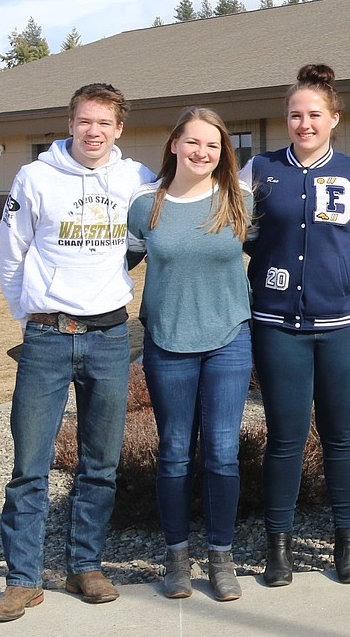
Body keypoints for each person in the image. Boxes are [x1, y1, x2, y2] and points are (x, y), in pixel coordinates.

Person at [0, 83, 155, 622]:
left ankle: (85, 566)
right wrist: (31, 313)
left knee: (100, 464)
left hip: (109, 338)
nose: (93, 132)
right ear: (70, 124)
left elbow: (171, 209)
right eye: (85, 121)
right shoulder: (36, 177)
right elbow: (12, 250)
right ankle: (22, 580)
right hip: (46, 338)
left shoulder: (134, 179)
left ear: (119, 129)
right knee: (29, 464)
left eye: (104, 123)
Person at [240, 64, 350, 586]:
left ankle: (348, 543)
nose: (304, 123)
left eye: (315, 114)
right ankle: (279, 547)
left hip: (343, 325)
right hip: (277, 325)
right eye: (296, 114)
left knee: (341, 437)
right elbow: (228, 224)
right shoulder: (260, 170)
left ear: (334, 118)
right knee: (285, 438)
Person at [127, 108, 254, 601]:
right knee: (176, 455)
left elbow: (275, 250)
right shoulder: (146, 205)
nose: (204, 153)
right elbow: (113, 264)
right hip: (167, 342)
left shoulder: (240, 200)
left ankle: (221, 557)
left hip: (229, 340)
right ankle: (176, 558)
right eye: (194, 142)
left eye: (214, 145)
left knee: (223, 456)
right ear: (175, 144)